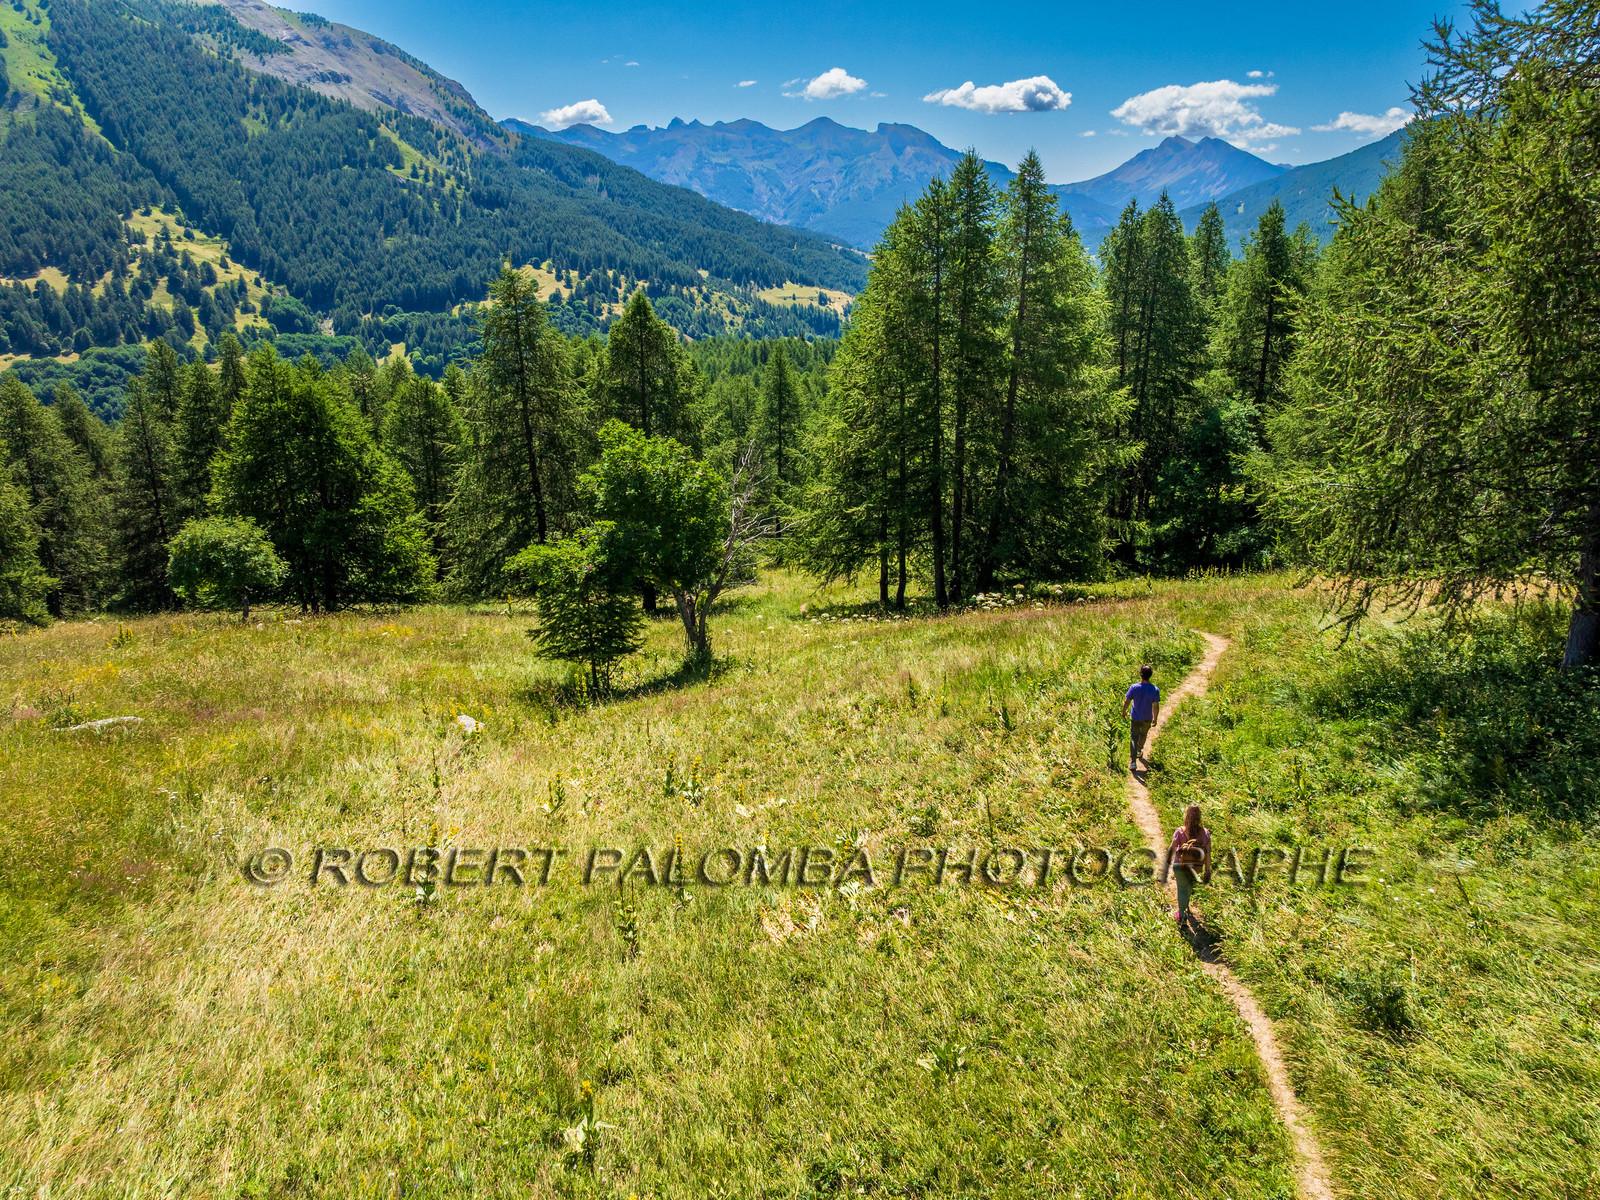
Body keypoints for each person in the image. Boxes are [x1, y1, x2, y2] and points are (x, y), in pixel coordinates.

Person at [1168, 804, 1211, 926]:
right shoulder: (1205, 833)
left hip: (1180, 865)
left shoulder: (1180, 831)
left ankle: (1181, 914)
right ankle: (1185, 906)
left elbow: (1172, 848)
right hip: (1196, 866)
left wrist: (1167, 861)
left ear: (1186, 816)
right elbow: (1208, 854)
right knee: (1189, 885)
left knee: (1181, 888)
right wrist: (1207, 870)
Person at [1121, 664, 1161, 772]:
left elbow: (1127, 701)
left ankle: (1133, 762)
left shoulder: (1134, 687)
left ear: (1140, 674)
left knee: (1134, 737)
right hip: (1147, 717)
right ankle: (1139, 750)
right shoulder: (1154, 689)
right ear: (1151, 675)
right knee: (1143, 734)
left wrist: (1124, 711)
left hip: (1136, 717)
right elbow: (1156, 706)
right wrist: (1155, 718)